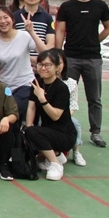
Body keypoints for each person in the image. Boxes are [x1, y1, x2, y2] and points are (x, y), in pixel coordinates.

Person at [54, 0, 109, 148]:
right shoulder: (66, 7)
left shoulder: (100, 6)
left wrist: (95, 41)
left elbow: (108, 28)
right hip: (70, 57)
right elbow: (60, 31)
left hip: (93, 58)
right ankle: (62, 127)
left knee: (94, 97)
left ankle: (96, 132)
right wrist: (58, 54)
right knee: (64, 94)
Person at [26, 49, 77, 181]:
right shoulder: (37, 83)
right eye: (40, 64)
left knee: (33, 133)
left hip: (65, 134)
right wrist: (29, 128)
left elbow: (55, 116)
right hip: (48, 130)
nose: (43, 68)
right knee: (27, 133)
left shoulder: (61, 88)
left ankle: (55, 164)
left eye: (48, 65)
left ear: (57, 67)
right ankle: (57, 155)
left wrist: (42, 98)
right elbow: (31, 108)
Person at [0, 6, 48, 115]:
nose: (3, 21)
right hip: (4, 86)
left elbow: (44, 53)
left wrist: (31, 31)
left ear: (12, 19)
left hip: (25, 84)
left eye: (6, 17)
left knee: (15, 111)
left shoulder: (24, 36)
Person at [13, 0, 55, 65]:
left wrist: (41, 59)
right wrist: (29, 59)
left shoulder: (47, 17)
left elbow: (51, 43)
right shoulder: (14, 16)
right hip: (19, 62)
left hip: (41, 63)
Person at [56, 49, 86, 166]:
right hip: (48, 114)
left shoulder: (71, 83)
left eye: (59, 63)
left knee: (75, 123)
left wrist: (64, 117)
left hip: (64, 115)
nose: (57, 66)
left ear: (64, 64)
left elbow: (73, 104)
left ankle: (76, 151)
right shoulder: (43, 81)